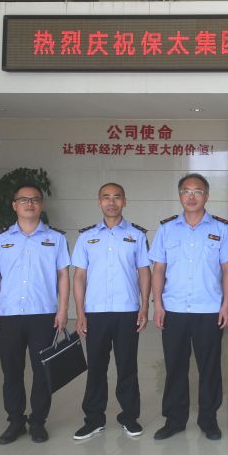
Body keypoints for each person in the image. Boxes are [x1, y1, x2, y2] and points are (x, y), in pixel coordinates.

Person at [0, 184, 70, 444]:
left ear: (41, 205)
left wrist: (63, 309)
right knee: (11, 371)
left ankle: (38, 421)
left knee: (43, 372)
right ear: (14, 205)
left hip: (44, 315)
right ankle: (15, 421)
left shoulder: (56, 239)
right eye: (23, 200)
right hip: (9, 315)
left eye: (34, 200)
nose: (29, 204)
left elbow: (63, 275)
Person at [150, 173, 228, 441]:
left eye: (197, 191)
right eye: (186, 191)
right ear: (180, 195)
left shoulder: (221, 228)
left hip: (208, 309)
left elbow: (227, 269)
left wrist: (226, 304)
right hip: (174, 309)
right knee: (175, 367)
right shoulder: (166, 229)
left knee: (210, 368)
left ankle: (209, 420)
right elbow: (158, 269)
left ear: (206, 196)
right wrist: (157, 305)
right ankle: (174, 420)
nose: (191, 196)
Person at [70, 182, 151, 440]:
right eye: (106, 197)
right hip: (95, 312)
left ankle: (129, 417)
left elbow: (144, 272)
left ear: (124, 201)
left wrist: (145, 306)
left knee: (127, 366)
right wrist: (80, 313)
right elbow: (79, 276)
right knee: (96, 366)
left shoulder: (137, 235)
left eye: (117, 197)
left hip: (127, 310)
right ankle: (94, 419)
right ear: (99, 202)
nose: (111, 202)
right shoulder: (86, 237)